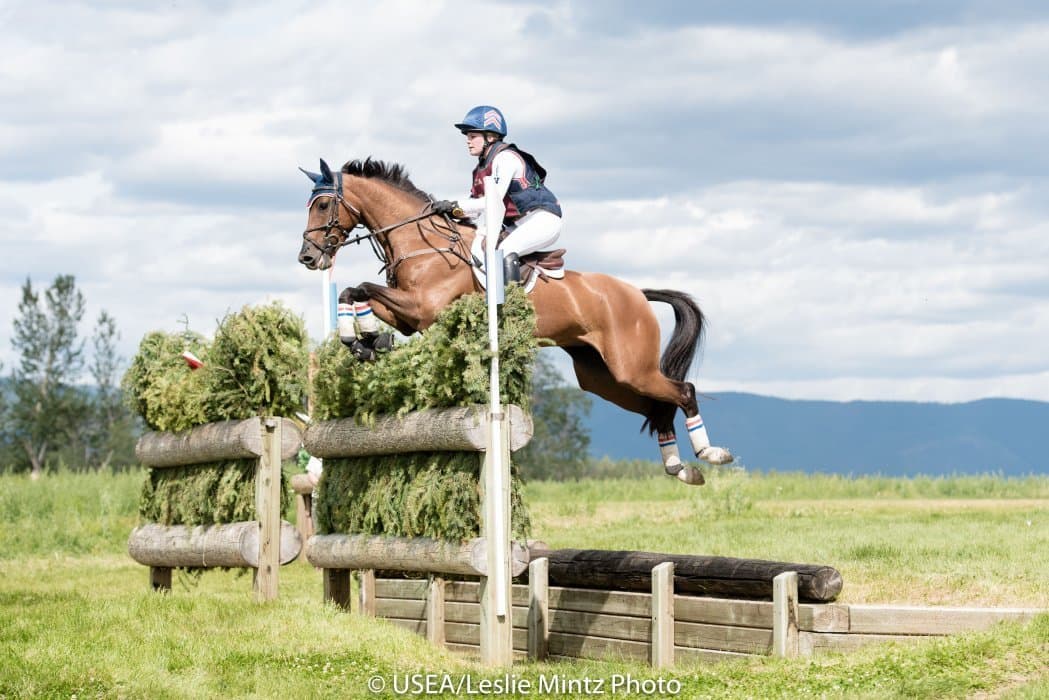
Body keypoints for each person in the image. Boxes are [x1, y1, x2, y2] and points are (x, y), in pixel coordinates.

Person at [432, 105, 563, 280]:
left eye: (472, 136)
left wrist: (454, 205)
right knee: (477, 243)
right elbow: (476, 210)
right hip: (518, 224)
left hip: (542, 220)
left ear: (491, 137)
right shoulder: (481, 168)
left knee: (504, 250)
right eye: (467, 137)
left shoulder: (506, 158)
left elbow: (493, 201)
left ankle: (512, 305)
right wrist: (447, 213)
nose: (468, 141)